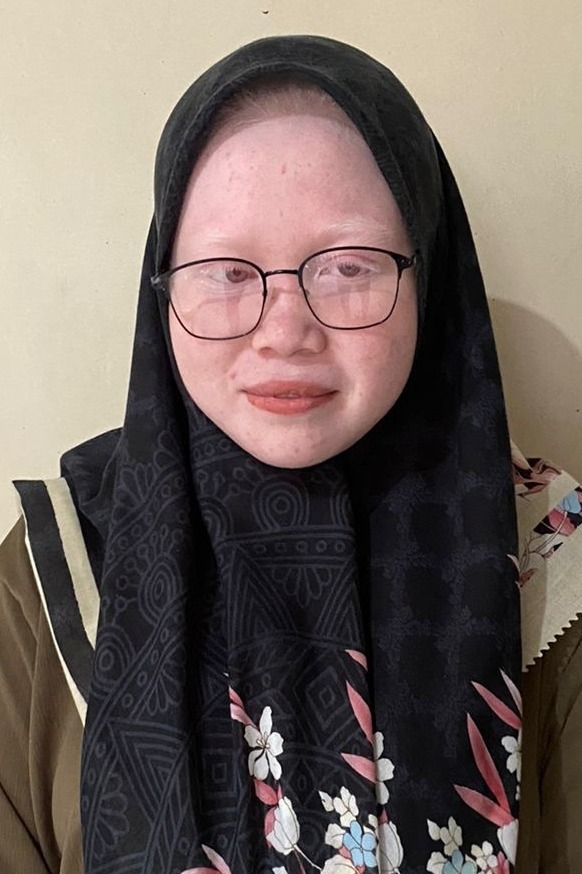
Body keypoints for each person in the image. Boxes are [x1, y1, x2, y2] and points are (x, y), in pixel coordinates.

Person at [1, 34, 581, 874]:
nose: (284, 331)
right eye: (227, 271)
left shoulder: (553, 566)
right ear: (161, 285)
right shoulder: (53, 570)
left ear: (431, 274)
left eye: (348, 266)